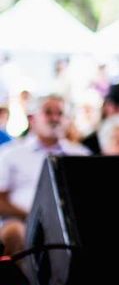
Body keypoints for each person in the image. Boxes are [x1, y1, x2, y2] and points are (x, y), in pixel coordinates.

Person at [0, 95, 89, 255]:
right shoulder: (10, 153)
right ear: (32, 119)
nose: (55, 118)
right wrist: (33, 215)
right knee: (14, 233)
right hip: (22, 221)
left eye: (60, 114)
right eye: (48, 112)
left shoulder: (80, 154)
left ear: (68, 120)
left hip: (70, 224)